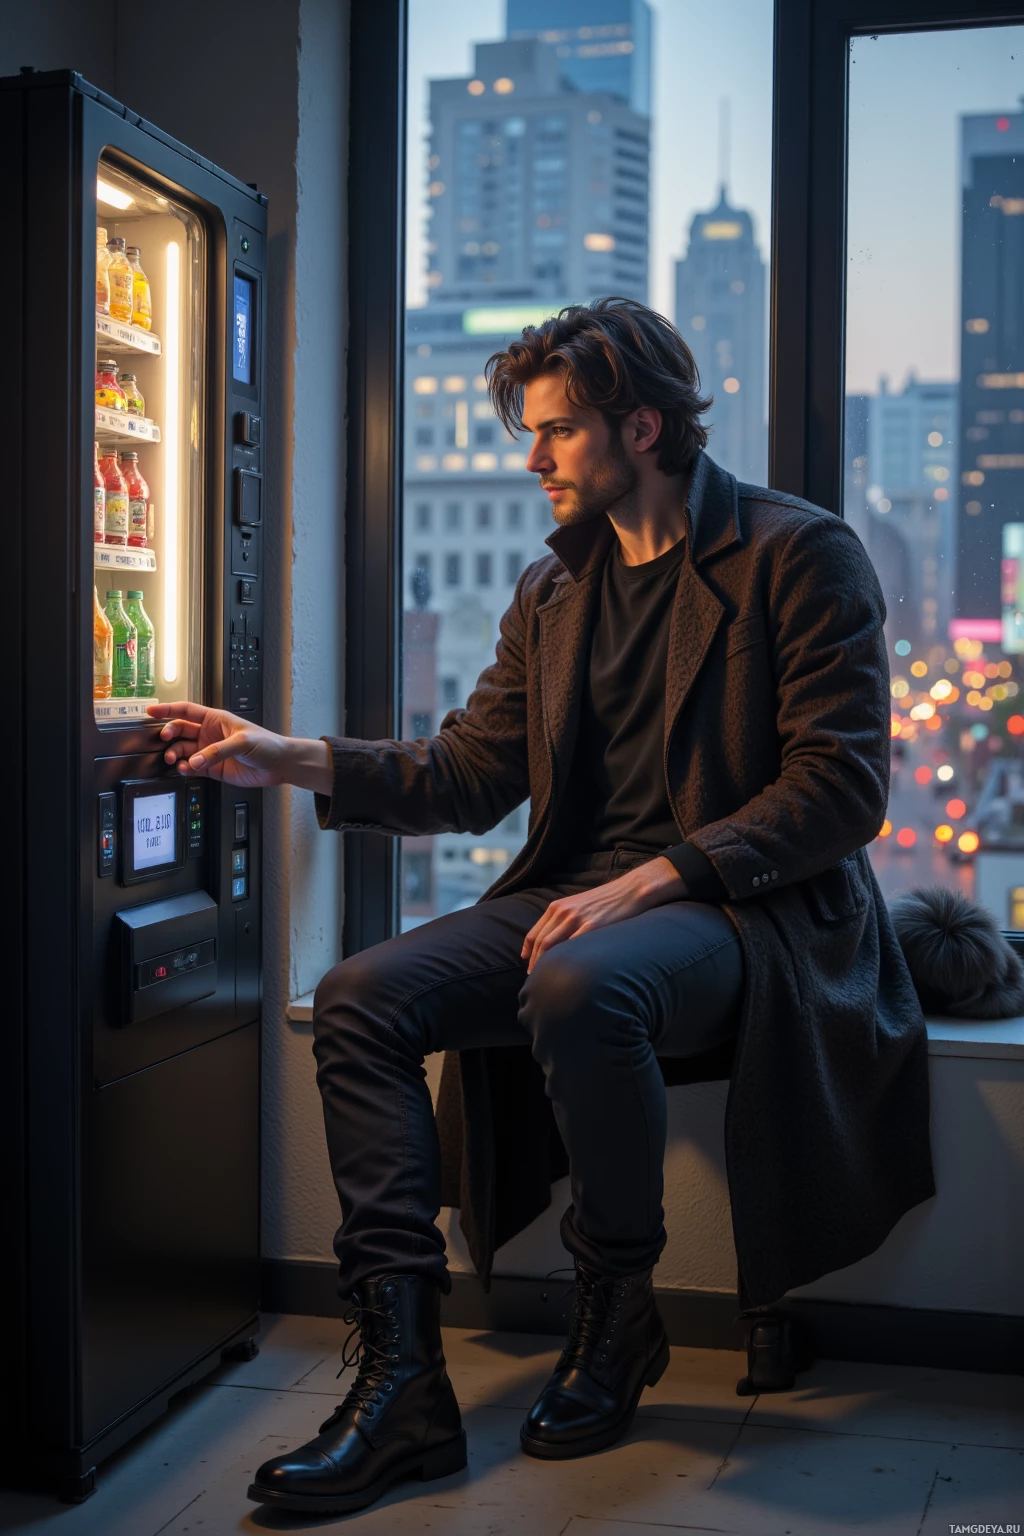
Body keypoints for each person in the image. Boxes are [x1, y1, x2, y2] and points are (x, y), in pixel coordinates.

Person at [148, 298, 935, 1518]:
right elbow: (468, 773)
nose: (532, 459)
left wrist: (655, 875)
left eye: (557, 432)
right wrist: (283, 755)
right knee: (361, 997)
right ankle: (403, 1377)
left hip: (751, 915)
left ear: (644, 426)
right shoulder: (551, 592)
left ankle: (616, 1318)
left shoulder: (797, 552)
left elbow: (840, 787)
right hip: (585, 901)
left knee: (578, 980)